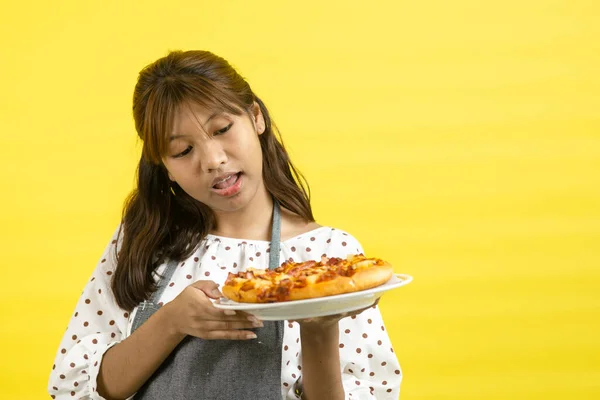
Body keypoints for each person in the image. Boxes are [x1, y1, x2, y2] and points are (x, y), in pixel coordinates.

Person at [48, 50, 401, 400]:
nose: (213, 160)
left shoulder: (329, 259)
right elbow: (72, 387)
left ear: (256, 117)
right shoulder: (144, 241)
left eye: (222, 129)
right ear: (163, 166)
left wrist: (319, 328)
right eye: (183, 151)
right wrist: (171, 322)